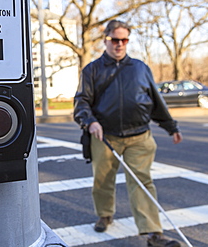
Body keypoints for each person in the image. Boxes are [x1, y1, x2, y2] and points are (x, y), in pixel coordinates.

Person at [73, 20, 183, 247]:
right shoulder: (92, 70)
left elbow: (155, 101)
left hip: (139, 137)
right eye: (115, 40)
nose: (120, 44)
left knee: (142, 182)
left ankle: (154, 233)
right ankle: (105, 214)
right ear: (106, 40)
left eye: (124, 40)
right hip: (105, 137)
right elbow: (81, 102)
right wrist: (90, 122)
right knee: (102, 180)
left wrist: (171, 127)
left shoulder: (141, 68)